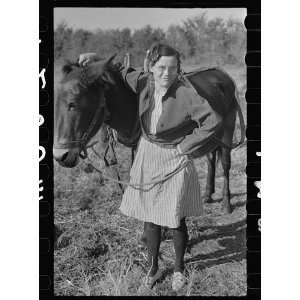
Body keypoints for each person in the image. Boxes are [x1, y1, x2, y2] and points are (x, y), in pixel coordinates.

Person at [79, 43, 223, 291]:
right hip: (147, 154)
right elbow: (120, 70)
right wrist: (96, 56)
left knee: (175, 218)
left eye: (173, 68)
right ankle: (153, 267)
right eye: (161, 68)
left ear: (178, 68)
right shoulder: (144, 82)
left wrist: (185, 146)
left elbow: (213, 120)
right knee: (150, 218)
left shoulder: (187, 93)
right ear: (152, 67)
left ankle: (179, 269)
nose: (167, 73)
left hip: (175, 156)